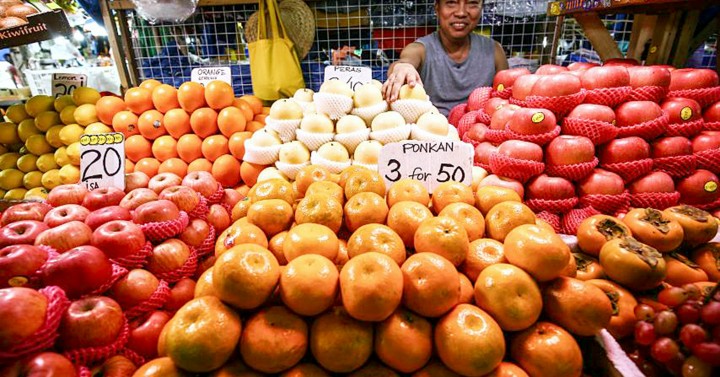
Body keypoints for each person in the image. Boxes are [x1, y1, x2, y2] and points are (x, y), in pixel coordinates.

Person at [382, 0, 508, 115]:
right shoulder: (420, 50)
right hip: (432, 133)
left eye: (472, 3)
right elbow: (405, 61)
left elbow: (506, 101)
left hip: (478, 134)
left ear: (481, 9)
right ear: (437, 8)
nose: (461, 12)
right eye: (451, 3)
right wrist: (403, 67)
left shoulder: (494, 52)